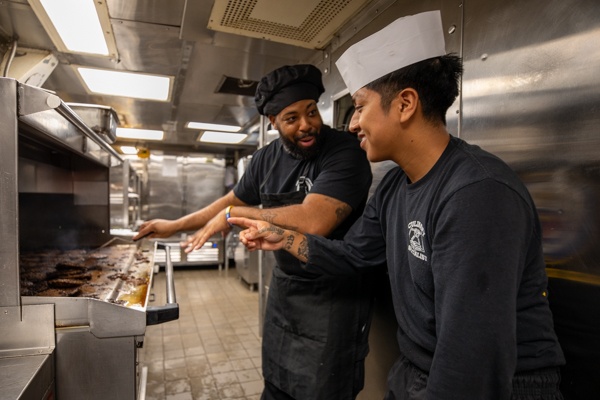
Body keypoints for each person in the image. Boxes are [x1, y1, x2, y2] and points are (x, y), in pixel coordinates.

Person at [229, 10, 566, 400]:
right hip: (418, 372)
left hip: (501, 384)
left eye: (360, 106)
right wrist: (283, 237)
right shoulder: (393, 188)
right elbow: (354, 256)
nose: (353, 124)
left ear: (405, 104)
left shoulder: (477, 193)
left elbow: (473, 359)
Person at [133, 64, 376, 399]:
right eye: (292, 118)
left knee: (323, 391)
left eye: (311, 112)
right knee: (276, 385)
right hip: (286, 291)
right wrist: (173, 225)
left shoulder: (344, 152)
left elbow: (313, 220)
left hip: (334, 296)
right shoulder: (266, 158)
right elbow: (227, 202)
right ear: (272, 121)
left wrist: (235, 215)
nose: (307, 125)